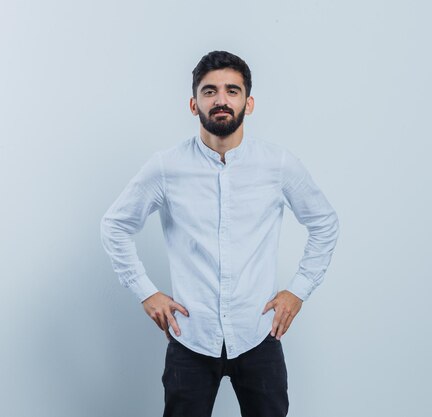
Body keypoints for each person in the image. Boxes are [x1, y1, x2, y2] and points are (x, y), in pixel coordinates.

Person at [100, 50, 339, 417]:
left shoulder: (277, 164)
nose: (221, 100)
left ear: (249, 102)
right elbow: (115, 225)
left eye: (232, 90)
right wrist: (146, 293)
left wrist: (298, 290)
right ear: (194, 104)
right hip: (192, 341)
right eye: (209, 91)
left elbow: (324, 222)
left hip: (258, 335)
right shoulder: (167, 167)